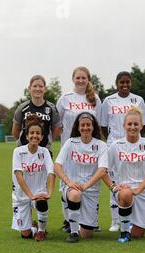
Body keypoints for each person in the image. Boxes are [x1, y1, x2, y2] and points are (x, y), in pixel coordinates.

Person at [57, 66, 102, 233]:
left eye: (84, 78)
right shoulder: (65, 98)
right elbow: (58, 124)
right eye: (78, 78)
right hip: (70, 149)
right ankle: (69, 220)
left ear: (88, 79)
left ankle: (91, 220)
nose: (81, 80)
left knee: (91, 185)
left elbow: (100, 123)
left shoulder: (95, 99)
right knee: (66, 184)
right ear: (73, 79)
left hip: (91, 149)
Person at [101, 71, 145, 232]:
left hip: (134, 146)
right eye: (121, 82)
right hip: (115, 146)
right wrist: (115, 141)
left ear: (131, 83)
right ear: (116, 83)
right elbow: (103, 126)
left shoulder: (138, 100)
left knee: (134, 181)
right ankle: (116, 221)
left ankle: (135, 219)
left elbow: (144, 124)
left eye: (127, 82)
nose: (125, 85)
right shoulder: (108, 100)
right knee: (115, 183)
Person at [103, 107, 145, 243]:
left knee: (138, 234)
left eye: (136, 124)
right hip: (123, 190)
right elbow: (103, 171)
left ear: (141, 126)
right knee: (126, 194)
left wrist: (138, 190)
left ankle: (129, 223)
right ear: (124, 126)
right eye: (129, 124)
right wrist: (113, 187)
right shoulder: (116, 145)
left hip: (144, 192)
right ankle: (124, 232)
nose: (132, 127)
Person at [54, 112, 108, 243]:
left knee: (87, 234)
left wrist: (86, 186)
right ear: (78, 128)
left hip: (90, 191)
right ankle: (73, 232)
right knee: (75, 194)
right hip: (72, 186)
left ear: (93, 126)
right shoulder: (70, 142)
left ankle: (76, 219)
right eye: (82, 125)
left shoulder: (101, 145)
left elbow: (102, 171)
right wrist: (68, 182)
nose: (85, 128)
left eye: (88, 125)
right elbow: (57, 166)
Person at [11, 115, 55, 241]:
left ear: (41, 137)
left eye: (38, 133)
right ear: (26, 136)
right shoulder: (18, 152)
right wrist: (30, 196)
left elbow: (51, 173)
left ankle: (41, 230)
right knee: (26, 235)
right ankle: (33, 227)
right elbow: (19, 176)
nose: (34, 136)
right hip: (22, 195)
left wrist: (49, 193)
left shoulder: (45, 152)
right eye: (31, 133)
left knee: (41, 201)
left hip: (38, 192)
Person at [12, 75, 62, 156]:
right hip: (24, 151)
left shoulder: (51, 108)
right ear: (29, 88)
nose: (38, 89)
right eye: (35, 86)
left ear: (45, 89)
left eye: (41, 86)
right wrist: (27, 142)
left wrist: (48, 140)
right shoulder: (22, 108)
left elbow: (57, 128)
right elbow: (15, 131)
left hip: (44, 151)